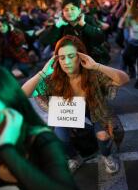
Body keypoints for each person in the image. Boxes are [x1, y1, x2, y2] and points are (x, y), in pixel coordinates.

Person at [22, 35, 129, 174]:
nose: (66, 62)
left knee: (103, 134)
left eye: (71, 56)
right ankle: (74, 158)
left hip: (94, 108)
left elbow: (124, 79)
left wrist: (96, 65)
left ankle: (107, 155)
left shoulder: (92, 74)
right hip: (66, 111)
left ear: (80, 57)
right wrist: (42, 73)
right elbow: (23, 93)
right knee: (60, 137)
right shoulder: (53, 78)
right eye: (61, 58)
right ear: (56, 60)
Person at [39, 0, 111, 65]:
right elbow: (45, 40)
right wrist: (57, 25)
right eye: (66, 10)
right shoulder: (62, 25)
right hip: (72, 64)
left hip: (92, 61)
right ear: (62, 12)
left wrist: (84, 25)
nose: (69, 12)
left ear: (79, 10)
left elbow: (100, 38)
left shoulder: (88, 19)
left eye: (72, 9)